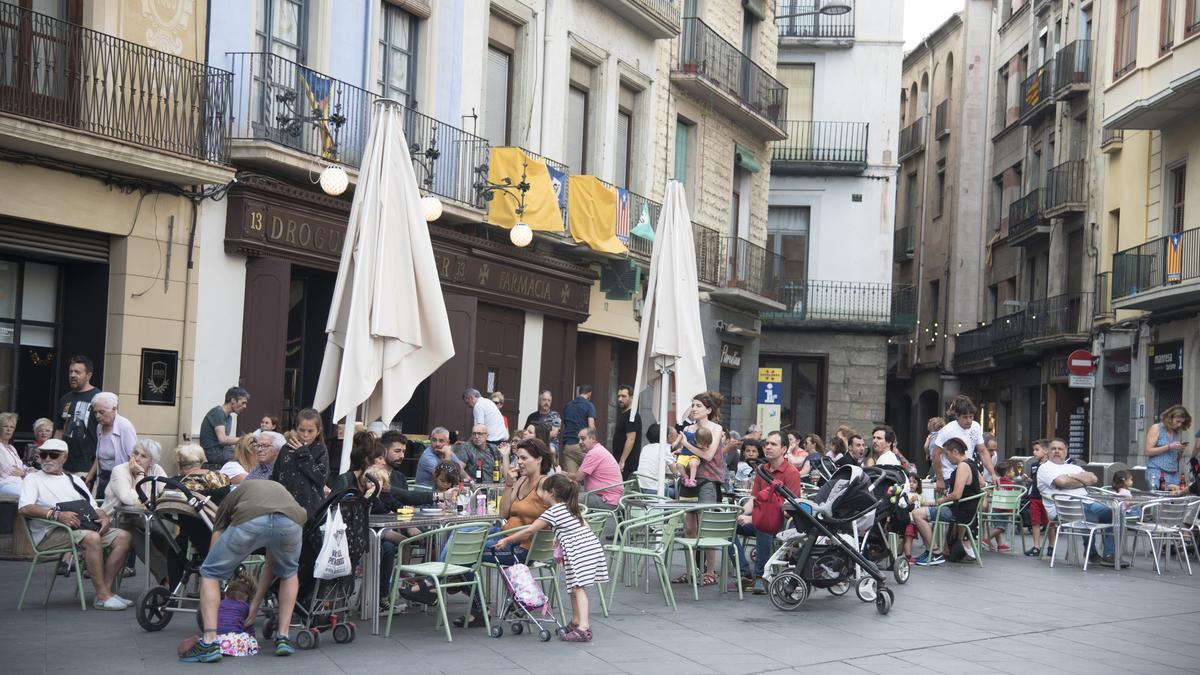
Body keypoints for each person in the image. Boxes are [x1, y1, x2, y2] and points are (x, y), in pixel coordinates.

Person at [180, 479, 305, 662]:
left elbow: (217, 536)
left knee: (209, 572)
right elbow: (271, 564)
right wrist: (254, 605)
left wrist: (215, 574)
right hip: (291, 520)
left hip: (251, 518)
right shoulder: (278, 491)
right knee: (289, 573)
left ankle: (209, 642)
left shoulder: (231, 498)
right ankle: (283, 637)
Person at [17, 439, 134, 610]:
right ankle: (103, 596)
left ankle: (105, 592)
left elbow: (94, 507)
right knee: (92, 538)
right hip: (50, 533)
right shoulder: (33, 479)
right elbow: (24, 508)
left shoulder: (74, 480)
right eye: (43, 455)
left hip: (81, 527)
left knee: (124, 536)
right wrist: (56, 515)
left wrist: (103, 518)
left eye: (53, 455)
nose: (47, 459)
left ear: (64, 458)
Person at [497, 474, 608, 643]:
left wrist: (507, 539)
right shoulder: (570, 507)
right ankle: (576, 621)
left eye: (542, 490)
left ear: (551, 493)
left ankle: (584, 628)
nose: (540, 493)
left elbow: (529, 531)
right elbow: (581, 527)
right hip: (585, 547)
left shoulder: (553, 511)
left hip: (580, 550)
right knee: (573, 587)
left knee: (578, 588)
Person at [733, 433, 800, 594]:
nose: (768, 447)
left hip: (782, 522)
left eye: (773, 444)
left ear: (784, 449)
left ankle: (761, 577)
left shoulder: (791, 472)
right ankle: (745, 574)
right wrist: (740, 514)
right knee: (728, 526)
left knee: (764, 527)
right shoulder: (762, 469)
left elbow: (791, 507)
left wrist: (753, 518)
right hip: (760, 518)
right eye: (766, 444)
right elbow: (753, 498)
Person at [672, 391, 726, 586]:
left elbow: (709, 455)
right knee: (689, 529)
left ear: (708, 410)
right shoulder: (688, 428)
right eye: (693, 405)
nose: (694, 409)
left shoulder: (716, 428)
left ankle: (710, 572)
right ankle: (691, 571)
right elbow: (680, 451)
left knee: (707, 527)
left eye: (698, 406)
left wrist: (687, 444)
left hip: (709, 480)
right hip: (689, 481)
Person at [1037, 438, 1114, 564]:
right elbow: (1062, 482)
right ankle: (1091, 552)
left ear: (1066, 452)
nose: (1057, 451)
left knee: (1114, 512)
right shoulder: (1045, 468)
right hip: (1062, 508)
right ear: (1048, 452)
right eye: (1053, 449)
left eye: (1060, 449)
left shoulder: (1074, 467)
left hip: (1087, 503)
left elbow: (1093, 478)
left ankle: (1110, 553)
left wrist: (1071, 476)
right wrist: (1080, 480)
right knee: (1089, 516)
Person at [910, 438, 982, 566]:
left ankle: (935, 552)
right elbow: (981, 483)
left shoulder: (963, 466)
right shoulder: (971, 463)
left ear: (955, 451)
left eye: (947, 455)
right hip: (966, 511)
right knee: (922, 513)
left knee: (917, 514)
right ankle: (931, 551)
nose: (947, 459)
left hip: (958, 512)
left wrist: (942, 499)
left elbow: (957, 494)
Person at [931, 396, 998, 495]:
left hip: (969, 469)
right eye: (965, 417)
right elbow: (935, 454)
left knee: (980, 499)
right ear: (957, 416)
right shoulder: (947, 430)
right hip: (949, 474)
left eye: (971, 416)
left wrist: (992, 474)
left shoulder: (975, 427)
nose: (969, 420)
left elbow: (983, 451)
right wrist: (940, 479)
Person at [273, 408, 329, 517]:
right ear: (296, 429)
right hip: (284, 508)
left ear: (318, 431)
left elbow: (321, 478)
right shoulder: (286, 449)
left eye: (310, 431)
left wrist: (304, 454)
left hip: (310, 511)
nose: (305, 435)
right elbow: (276, 475)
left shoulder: (320, 449)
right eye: (302, 430)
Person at [57, 355, 100, 480]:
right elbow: (59, 430)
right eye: (71, 371)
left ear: (88, 375)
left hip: (86, 467)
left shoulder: (98, 398)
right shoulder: (65, 399)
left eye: (77, 372)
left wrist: (92, 473)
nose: (73, 375)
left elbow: (106, 435)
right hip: (64, 466)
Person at [91, 392, 137, 498]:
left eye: (102, 412)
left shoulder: (125, 427)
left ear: (114, 408)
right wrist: (90, 476)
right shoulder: (99, 427)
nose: (98, 416)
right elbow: (99, 456)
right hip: (103, 478)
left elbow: (133, 458)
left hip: (119, 480)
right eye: (95, 412)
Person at [102, 439, 167, 513]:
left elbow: (166, 493)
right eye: (136, 453)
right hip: (116, 520)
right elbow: (130, 500)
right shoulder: (119, 470)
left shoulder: (155, 469)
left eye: (143, 456)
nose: (137, 459)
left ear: (151, 461)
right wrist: (140, 474)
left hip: (145, 519)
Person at [566, 427, 623, 510]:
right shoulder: (598, 450)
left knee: (568, 498)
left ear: (593, 439)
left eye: (583, 439)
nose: (579, 442)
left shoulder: (594, 453)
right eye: (579, 439)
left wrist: (562, 474)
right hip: (611, 497)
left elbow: (578, 477)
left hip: (607, 499)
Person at [1144, 405, 1191, 489]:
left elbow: (1176, 458)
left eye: (1182, 422)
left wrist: (1180, 450)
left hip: (1173, 473)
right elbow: (1148, 451)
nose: (1179, 425)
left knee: (1172, 500)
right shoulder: (1157, 428)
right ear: (1170, 418)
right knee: (1159, 499)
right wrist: (1169, 446)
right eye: (1178, 421)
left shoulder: (1176, 432)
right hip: (1157, 471)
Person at [200, 387, 249, 467]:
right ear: (233, 400)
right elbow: (222, 439)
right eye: (243, 403)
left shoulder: (229, 417)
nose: (245, 406)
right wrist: (246, 439)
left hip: (222, 451)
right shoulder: (217, 412)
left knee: (250, 453)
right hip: (214, 454)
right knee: (247, 457)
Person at [214, 579, 259, 657]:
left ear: (226, 594)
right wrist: (253, 640)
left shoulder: (220, 604)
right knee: (248, 639)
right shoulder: (245, 607)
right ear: (246, 597)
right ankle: (231, 650)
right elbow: (249, 625)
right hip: (234, 642)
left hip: (216, 639)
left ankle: (221, 649)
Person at [1022, 439, 1050, 557]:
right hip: (1035, 496)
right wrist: (1029, 480)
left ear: (1045, 451)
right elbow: (1036, 481)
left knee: (1049, 523)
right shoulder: (1034, 465)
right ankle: (1036, 546)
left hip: (1047, 497)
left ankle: (1051, 546)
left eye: (1037, 450)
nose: (1034, 452)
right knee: (1035, 522)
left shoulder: (1051, 466)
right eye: (1034, 450)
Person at [560, 385, 597, 473]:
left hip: (568, 446)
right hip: (581, 446)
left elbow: (564, 425)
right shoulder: (589, 405)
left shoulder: (568, 405)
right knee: (595, 473)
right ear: (589, 394)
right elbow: (591, 426)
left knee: (572, 481)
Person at [635, 423, 677, 495]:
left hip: (641, 488)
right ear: (664, 436)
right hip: (654, 490)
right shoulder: (662, 448)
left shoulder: (645, 448)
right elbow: (676, 471)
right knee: (677, 492)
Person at [611, 384, 643, 480]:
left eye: (624, 396)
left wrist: (622, 461)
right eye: (618, 396)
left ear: (632, 398)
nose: (620, 399)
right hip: (622, 461)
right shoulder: (626, 414)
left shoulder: (631, 416)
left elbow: (631, 439)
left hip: (627, 464)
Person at [985, 461, 1016, 551]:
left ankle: (1000, 544)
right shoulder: (1010, 484)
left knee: (997, 526)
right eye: (1012, 471)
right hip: (1004, 510)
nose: (1014, 473)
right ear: (1007, 473)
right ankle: (986, 539)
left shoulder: (998, 482)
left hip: (995, 509)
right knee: (1001, 528)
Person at [0, 411, 27, 498]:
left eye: (12, 427)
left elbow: (20, 467)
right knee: (27, 495)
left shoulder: (12, 448)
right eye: (5, 426)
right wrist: (25, 473)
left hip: (19, 482)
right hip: (4, 484)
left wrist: (30, 470)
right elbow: (7, 470)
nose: (9, 429)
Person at [901, 472, 923, 563]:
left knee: (909, 539)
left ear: (918, 485)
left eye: (914, 482)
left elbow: (923, 504)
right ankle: (908, 557)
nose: (911, 484)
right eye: (909, 482)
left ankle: (902, 555)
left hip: (914, 522)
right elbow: (904, 504)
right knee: (908, 539)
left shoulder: (919, 496)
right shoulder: (906, 494)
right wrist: (910, 501)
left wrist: (933, 503)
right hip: (908, 520)